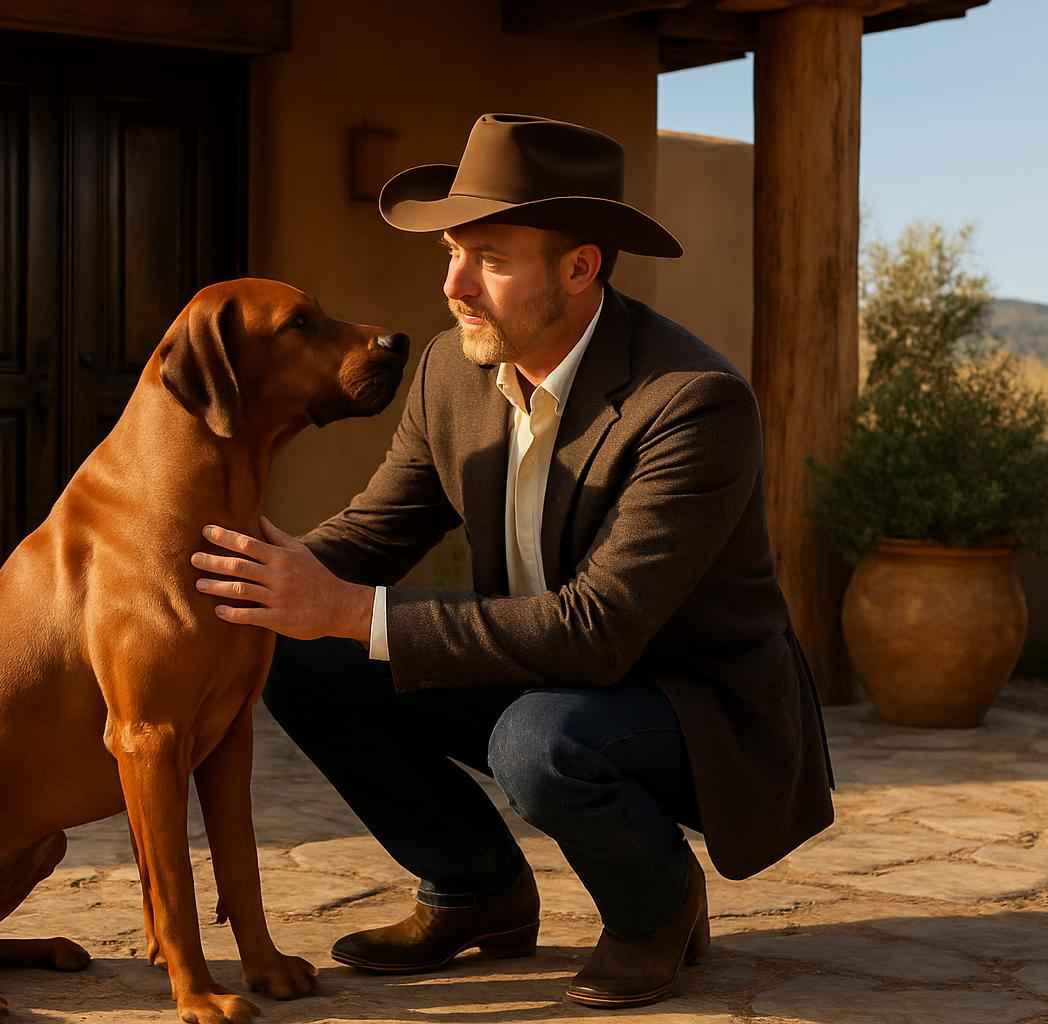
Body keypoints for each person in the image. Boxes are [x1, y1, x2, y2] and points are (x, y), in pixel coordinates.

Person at [189, 112, 835, 1009]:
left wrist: (339, 608)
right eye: (451, 252)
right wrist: (242, 579)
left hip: (691, 712)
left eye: (489, 259)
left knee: (538, 744)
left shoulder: (692, 404)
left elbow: (598, 631)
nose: (454, 285)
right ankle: (476, 891)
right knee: (301, 656)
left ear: (580, 269)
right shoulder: (455, 373)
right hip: (544, 673)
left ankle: (657, 907)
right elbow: (375, 533)